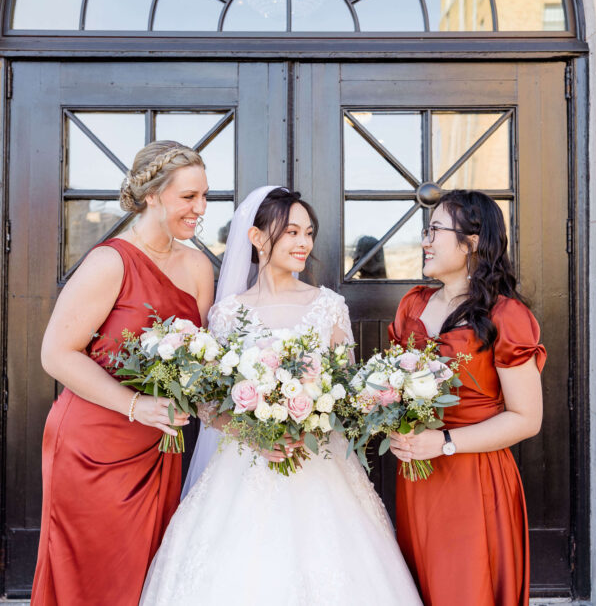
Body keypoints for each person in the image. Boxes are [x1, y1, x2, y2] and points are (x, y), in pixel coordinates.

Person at [140, 186, 421, 606]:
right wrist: (253, 433)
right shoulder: (228, 312)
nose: (303, 242)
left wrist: (314, 415)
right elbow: (207, 402)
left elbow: (345, 391)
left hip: (319, 462)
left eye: (308, 232)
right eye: (291, 232)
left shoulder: (329, 306)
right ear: (256, 238)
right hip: (243, 464)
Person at [30, 141, 214, 606]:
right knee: (94, 577)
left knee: (150, 575)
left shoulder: (197, 267)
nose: (201, 209)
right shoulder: (110, 261)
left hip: (159, 444)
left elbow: (204, 360)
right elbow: (56, 354)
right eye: (188, 197)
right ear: (152, 195)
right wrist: (136, 404)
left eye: (205, 197)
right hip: (93, 444)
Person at [388, 189, 546, 606]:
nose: (425, 240)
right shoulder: (412, 306)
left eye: (435, 229)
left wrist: (444, 443)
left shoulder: (505, 316)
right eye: (427, 229)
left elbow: (526, 418)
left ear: (472, 241)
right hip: (417, 477)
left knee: (464, 587)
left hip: (474, 478)